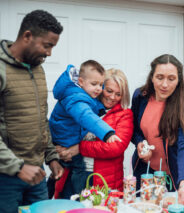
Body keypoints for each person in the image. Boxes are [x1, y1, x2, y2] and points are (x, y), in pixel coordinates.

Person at [0, 10, 64, 212]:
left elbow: (40, 119)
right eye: (47, 45)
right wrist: (18, 167)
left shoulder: (38, 69)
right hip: (6, 178)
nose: (49, 53)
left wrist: (51, 157)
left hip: (37, 175)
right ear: (27, 36)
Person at [55, 68, 133, 196]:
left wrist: (80, 148)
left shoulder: (125, 115)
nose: (112, 97)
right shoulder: (85, 106)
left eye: (118, 94)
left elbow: (115, 147)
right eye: (109, 91)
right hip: (72, 170)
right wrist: (60, 148)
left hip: (102, 179)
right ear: (101, 87)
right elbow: (66, 128)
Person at [131, 54, 184, 208]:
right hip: (144, 170)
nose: (165, 84)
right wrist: (140, 143)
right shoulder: (140, 96)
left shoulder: (183, 109)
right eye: (160, 77)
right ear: (152, 77)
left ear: (178, 80)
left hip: (172, 176)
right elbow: (134, 129)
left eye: (171, 79)